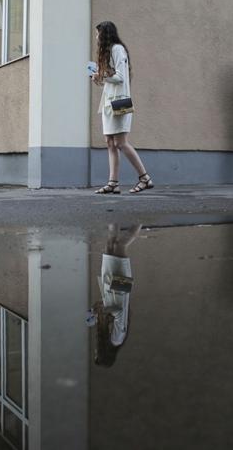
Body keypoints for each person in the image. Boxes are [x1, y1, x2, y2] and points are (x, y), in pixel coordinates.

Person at [92, 21, 154, 194]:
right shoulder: (108, 52)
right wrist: (100, 78)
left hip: (119, 102)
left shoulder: (117, 49)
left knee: (120, 142)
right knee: (110, 142)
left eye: (98, 34)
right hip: (109, 102)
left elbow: (119, 77)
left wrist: (103, 75)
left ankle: (145, 178)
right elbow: (111, 80)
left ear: (105, 34)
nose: (96, 37)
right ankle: (113, 183)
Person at [88, 224, 140, 367]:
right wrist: (102, 310)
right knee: (120, 246)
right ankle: (140, 218)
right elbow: (118, 311)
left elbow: (110, 310)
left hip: (111, 288)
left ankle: (113, 212)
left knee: (109, 245)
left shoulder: (107, 337)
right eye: (97, 354)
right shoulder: (117, 339)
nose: (95, 351)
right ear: (105, 354)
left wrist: (97, 311)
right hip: (120, 288)